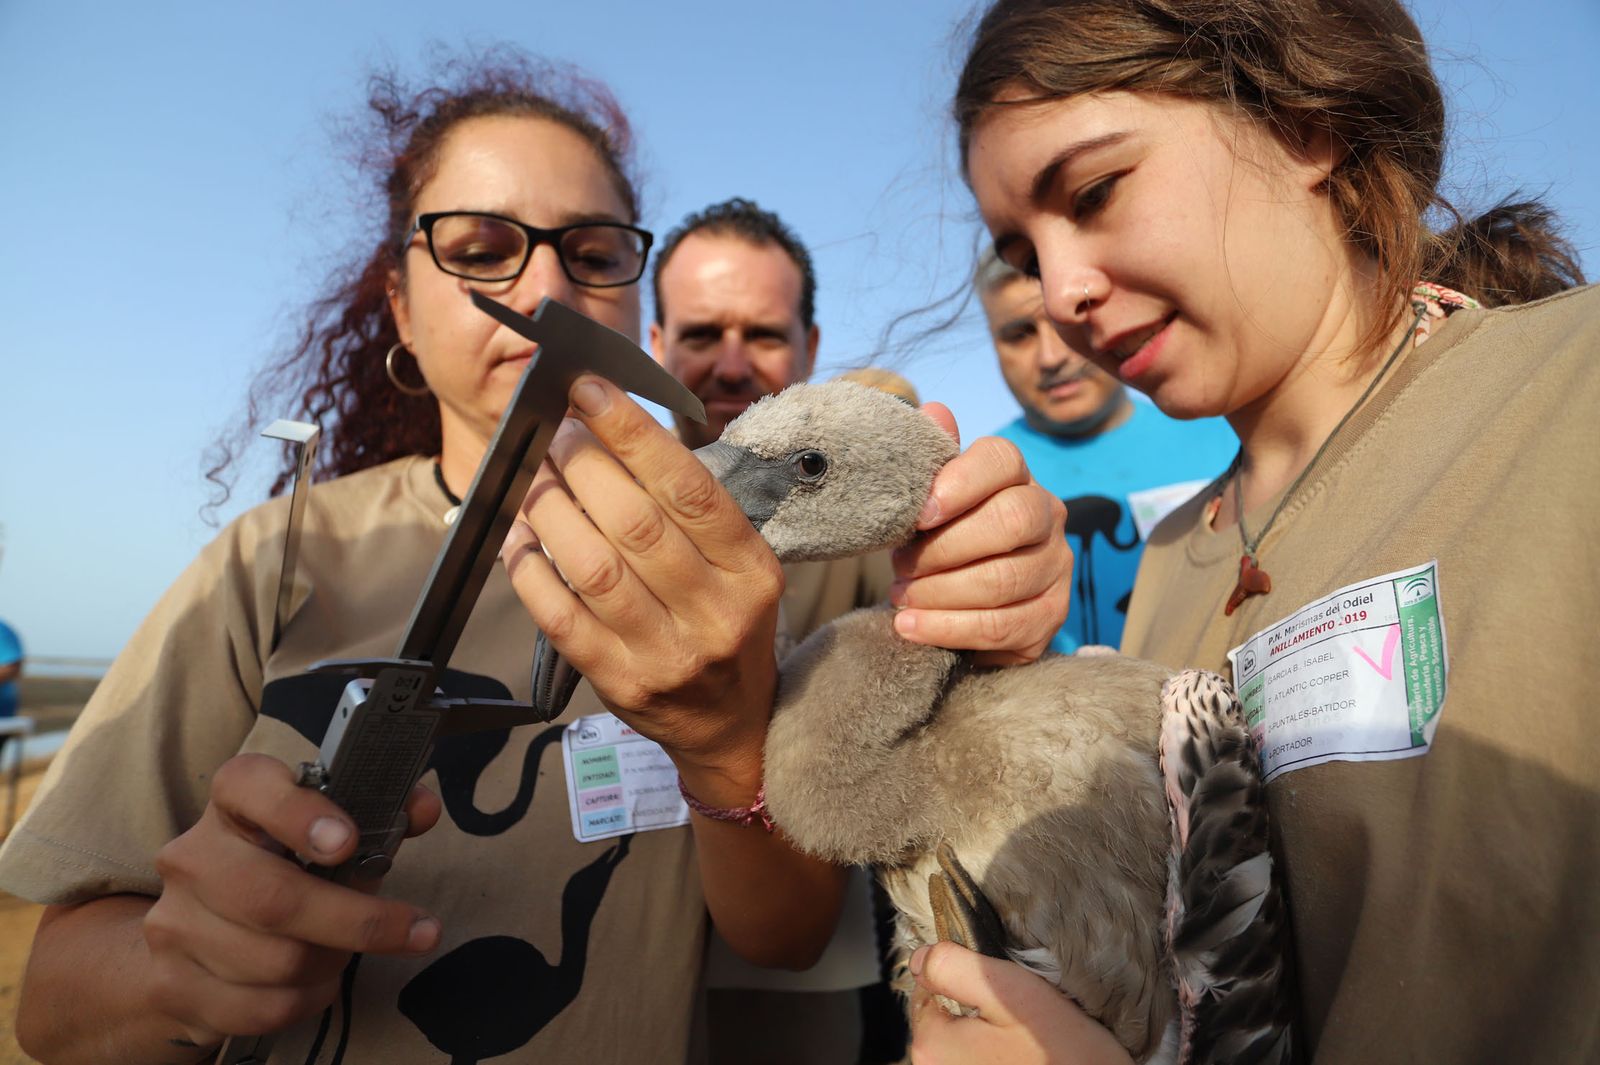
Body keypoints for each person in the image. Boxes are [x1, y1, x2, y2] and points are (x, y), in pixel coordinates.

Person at [0, 56, 1072, 1064]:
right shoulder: (273, 559)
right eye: (478, 248)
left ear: (632, 307)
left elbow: (782, 936)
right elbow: (52, 1004)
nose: (548, 287)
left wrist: (974, 551)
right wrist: (181, 967)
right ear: (399, 309)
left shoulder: (762, 550)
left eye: (593, 252)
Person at [907, 1, 1596, 1063]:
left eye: (1093, 193)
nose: (1061, 294)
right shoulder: (1178, 554)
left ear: (1300, 123)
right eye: (1020, 251)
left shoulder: (1570, 391)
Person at [649, 197, 917, 1064]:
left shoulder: (858, 524)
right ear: (656, 343)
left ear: (810, 347)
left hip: (800, 998)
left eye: (763, 335)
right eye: (701, 333)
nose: (731, 364)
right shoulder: (605, 514)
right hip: (624, 982)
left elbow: (892, 398)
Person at [977, 249, 1236, 652]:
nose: (1052, 357)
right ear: (994, 344)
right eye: (1020, 333)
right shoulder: (979, 482)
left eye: (1066, 323)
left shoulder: (1229, 440)